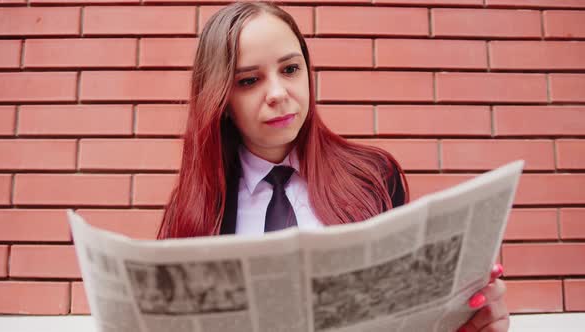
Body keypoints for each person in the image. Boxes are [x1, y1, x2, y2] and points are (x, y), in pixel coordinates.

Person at [156, 1, 509, 331]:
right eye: (249, 80)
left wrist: (463, 322)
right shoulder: (192, 211)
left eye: (290, 69)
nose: (278, 93)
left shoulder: (374, 176)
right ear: (221, 100)